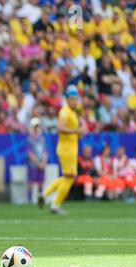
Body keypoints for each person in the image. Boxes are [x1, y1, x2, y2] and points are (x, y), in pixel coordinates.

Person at [38, 85, 87, 215]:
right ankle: (54, 204)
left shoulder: (73, 113)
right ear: (67, 99)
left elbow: (77, 133)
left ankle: (46, 196)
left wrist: (81, 130)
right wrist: (77, 130)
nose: (75, 101)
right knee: (69, 177)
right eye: (72, 99)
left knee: (68, 177)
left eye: (76, 99)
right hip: (66, 149)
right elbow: (60, 127)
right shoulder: (64, 111)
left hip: (71, 148)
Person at [26, 117, 47, 203]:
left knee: (41, 183)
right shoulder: (30, 139)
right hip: (33, 164)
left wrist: (43, 162)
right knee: (31, 183)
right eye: (35, 126)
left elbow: (45, 151)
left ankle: (40, 200)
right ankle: (30, 200)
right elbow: (29, 153)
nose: (37, 128)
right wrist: (38, 163)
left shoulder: (42, 139)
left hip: (41, 163)